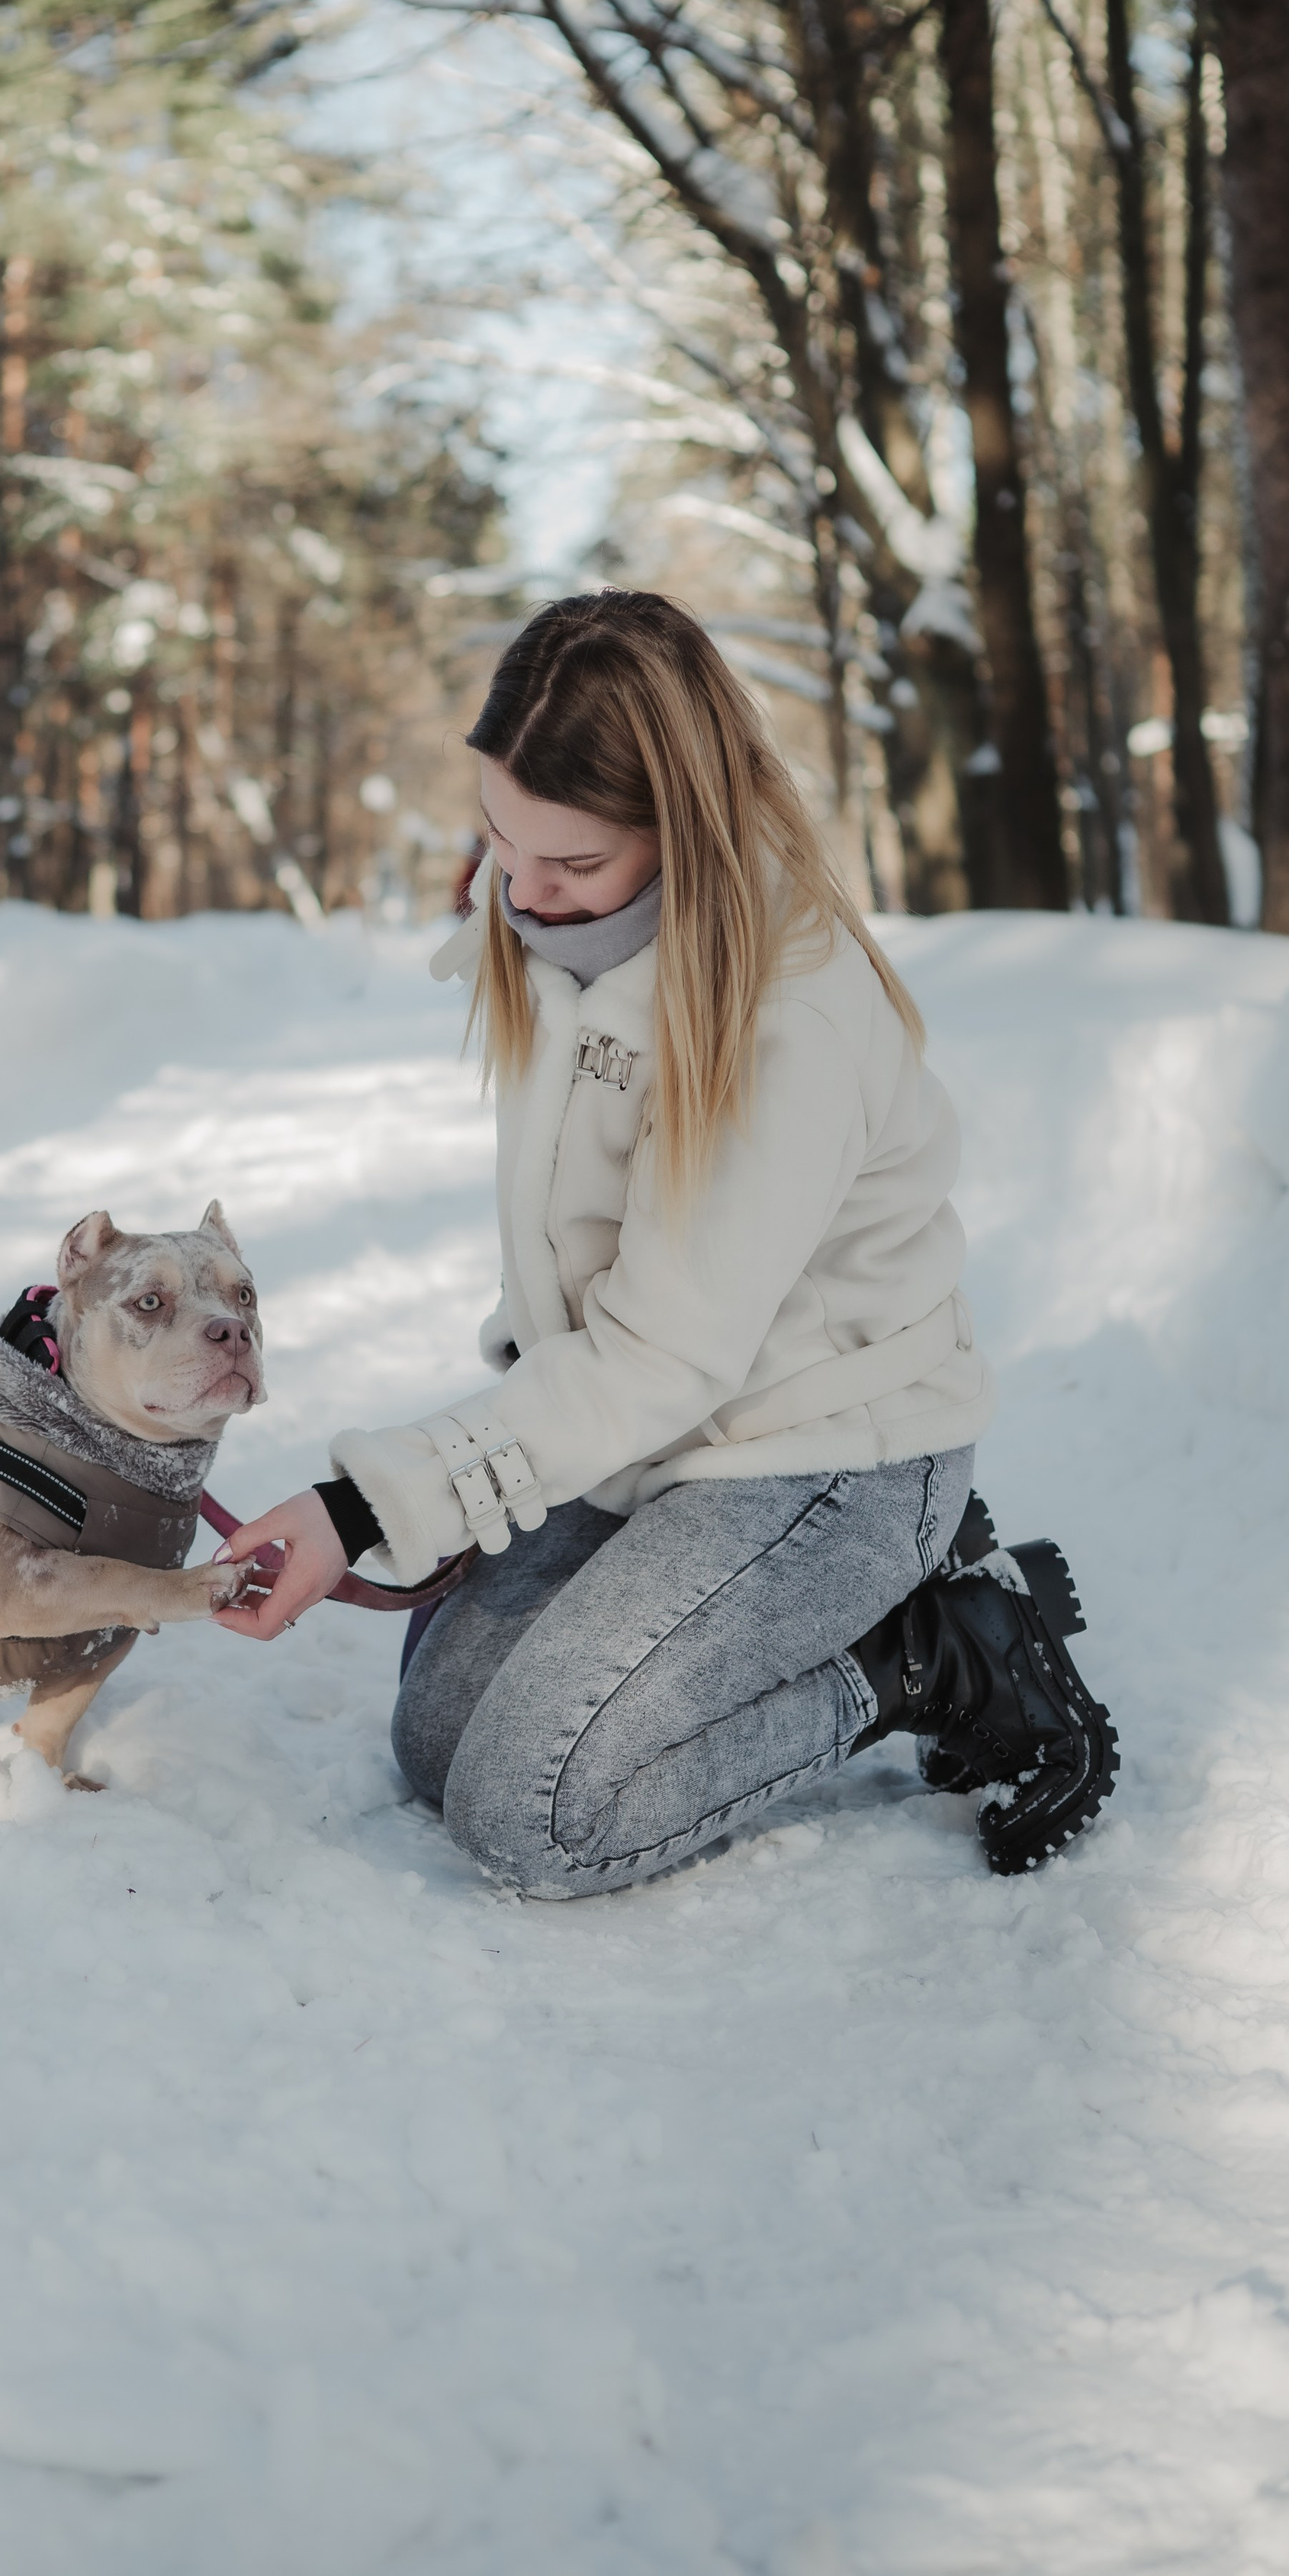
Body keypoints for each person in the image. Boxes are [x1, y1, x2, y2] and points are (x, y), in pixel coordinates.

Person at [216, 591, 1117, 1892]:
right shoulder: (570, 925)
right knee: (439, 1738)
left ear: (678, 830)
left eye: (568, 864)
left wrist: (371, 1503)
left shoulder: (783, 1016)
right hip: (652, 1437)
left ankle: (935, 1649)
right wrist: (493, 1476)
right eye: (497, 839)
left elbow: (656, 1358)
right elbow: (586, 1267)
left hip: (825, 1456)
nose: (516, 895)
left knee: (534, 1809)